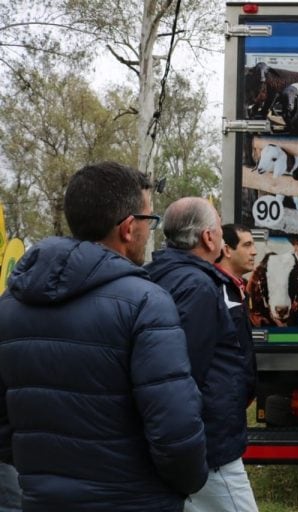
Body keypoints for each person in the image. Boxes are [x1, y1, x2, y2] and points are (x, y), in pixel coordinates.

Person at [0, 162, 208, 511]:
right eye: (148, 221)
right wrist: (183, 484)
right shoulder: (146, 303)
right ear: (128, 228)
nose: (149, 231)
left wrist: (42, 473)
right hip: (136, 500)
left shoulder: (10, 305)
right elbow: (175, 432)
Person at [146, 198, 258, 512]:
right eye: (218, 230)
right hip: (207, 445)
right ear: (208, 238)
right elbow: (185, 373)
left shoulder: (154, 275)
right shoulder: (199, 286)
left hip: (180, 440)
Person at [215, 223, 258, 403]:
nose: (254, 251)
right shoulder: (216, 291)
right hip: (223, 398)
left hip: (234, 397)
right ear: (227, 250)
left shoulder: (238, 289)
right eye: (247, 245)